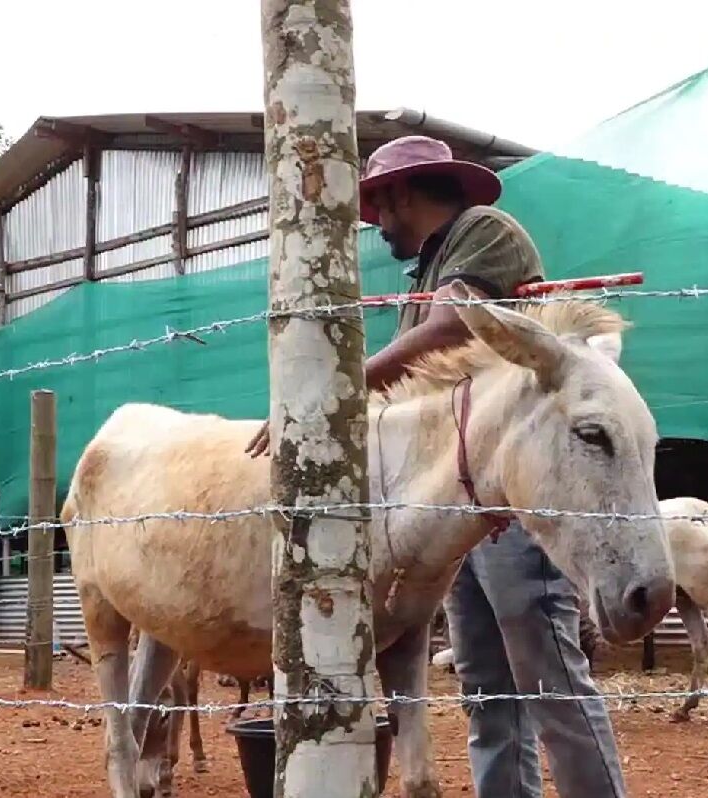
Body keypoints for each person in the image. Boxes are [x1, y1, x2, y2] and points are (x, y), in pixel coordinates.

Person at [245, 135, 628, 798]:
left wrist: (331, 397)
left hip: (511, 501)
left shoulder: (484, 232)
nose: (377, 223)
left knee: (550, 681)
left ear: (400, 193)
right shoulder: (425, 270)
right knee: (486, 686)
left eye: (379, 206)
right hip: (457, 505)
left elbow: (456, 326)